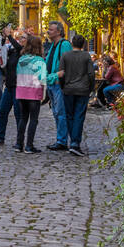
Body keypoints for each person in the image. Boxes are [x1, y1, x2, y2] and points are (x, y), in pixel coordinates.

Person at [58, 35, 94, 157]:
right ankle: (75, 143)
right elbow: (91, 74)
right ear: (83, 44)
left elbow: (61, 73)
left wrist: (63, 87)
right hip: (82, 89)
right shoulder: (86, 56)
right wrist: (91, 87)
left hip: (68, 89)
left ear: (72, 43)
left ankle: (73, 140)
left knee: (69, 116)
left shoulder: (65, 56)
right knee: (79, 116)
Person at [14, 35, 48, 153]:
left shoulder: (21, 59)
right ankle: (29, 145)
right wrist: (44, 94)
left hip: (21, 91)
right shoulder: (40, 61)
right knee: (33, 119)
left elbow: (17, 74)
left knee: (23, 118)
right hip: (34, 92)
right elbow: (43, 78)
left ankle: (19, 144)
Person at [43, 21, 72, 152]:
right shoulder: (52, 46)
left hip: (58, 84)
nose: (48, 31)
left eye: (51, 30)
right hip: (51, 84)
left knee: (61, 113)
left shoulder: (64, 45)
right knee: (56, 113)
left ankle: (62, 141)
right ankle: (60, 139)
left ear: (59, 32)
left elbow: (67, 66)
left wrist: (54, 76)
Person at [0, 29, 22, 147]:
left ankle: (20, 140)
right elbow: (2, 50)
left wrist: (10, 36)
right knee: (3, 111)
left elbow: (18, 47)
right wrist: (4, 37)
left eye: (21, 37)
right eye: (18, 37)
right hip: (9, 85)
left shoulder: (22, 51)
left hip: (18, 86)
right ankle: (0, 137)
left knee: (18, 113)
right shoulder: (12, 51)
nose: (19, 39)